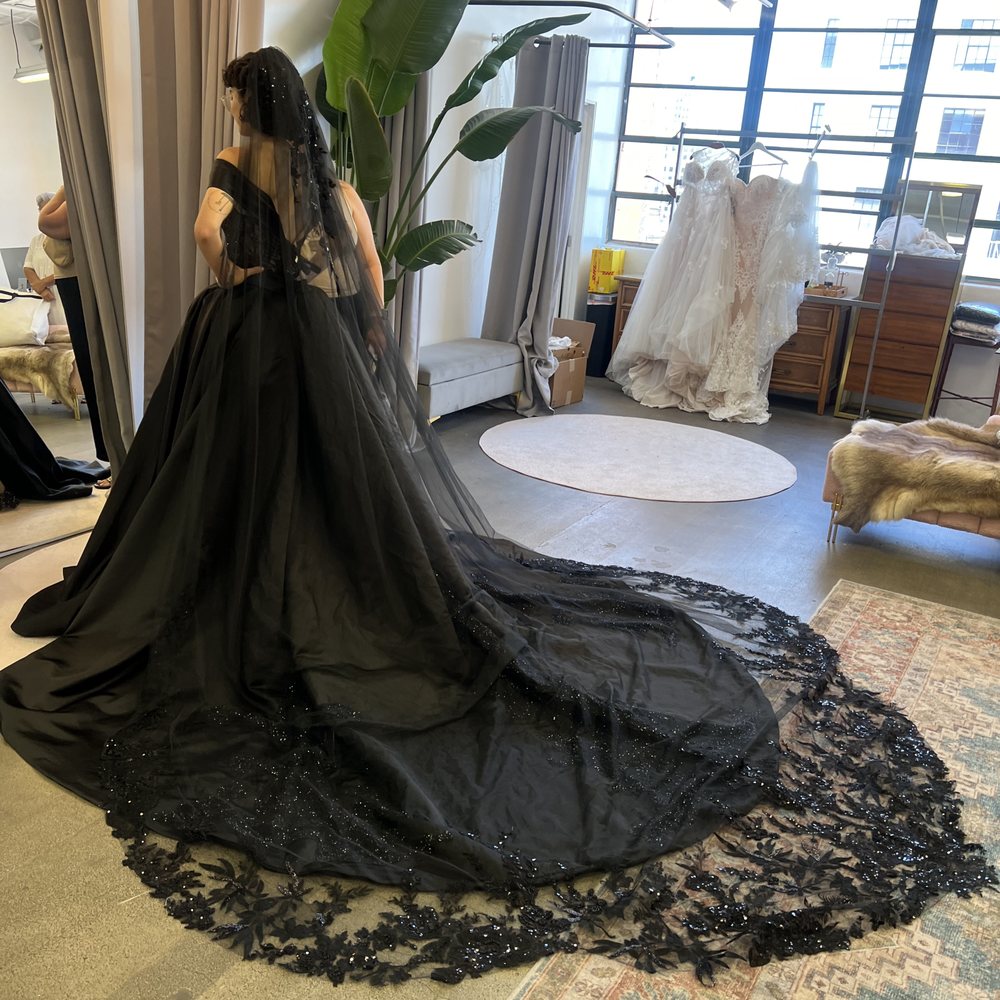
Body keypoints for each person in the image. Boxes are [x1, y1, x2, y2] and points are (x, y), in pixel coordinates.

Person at [0, 48, 992, 987]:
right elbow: (366, 265)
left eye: (230, 96)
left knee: (223, 472)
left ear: (244, 105)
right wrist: (364, 334)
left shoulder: (232, 163)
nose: (227, 108)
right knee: (330, 481)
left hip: (241, 335)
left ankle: (238, 577)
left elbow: (209, 243)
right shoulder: (328, 178)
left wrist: (231, 254)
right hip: (318, 342)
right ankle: (316, 568)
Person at [37, 186, 109, 468]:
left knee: (96, 366)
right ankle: (113, 456)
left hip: (79, 280)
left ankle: (114, 457)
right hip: (81, 279)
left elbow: (46, 222)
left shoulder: (80, 186)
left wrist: (65, 187)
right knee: (96, 365)